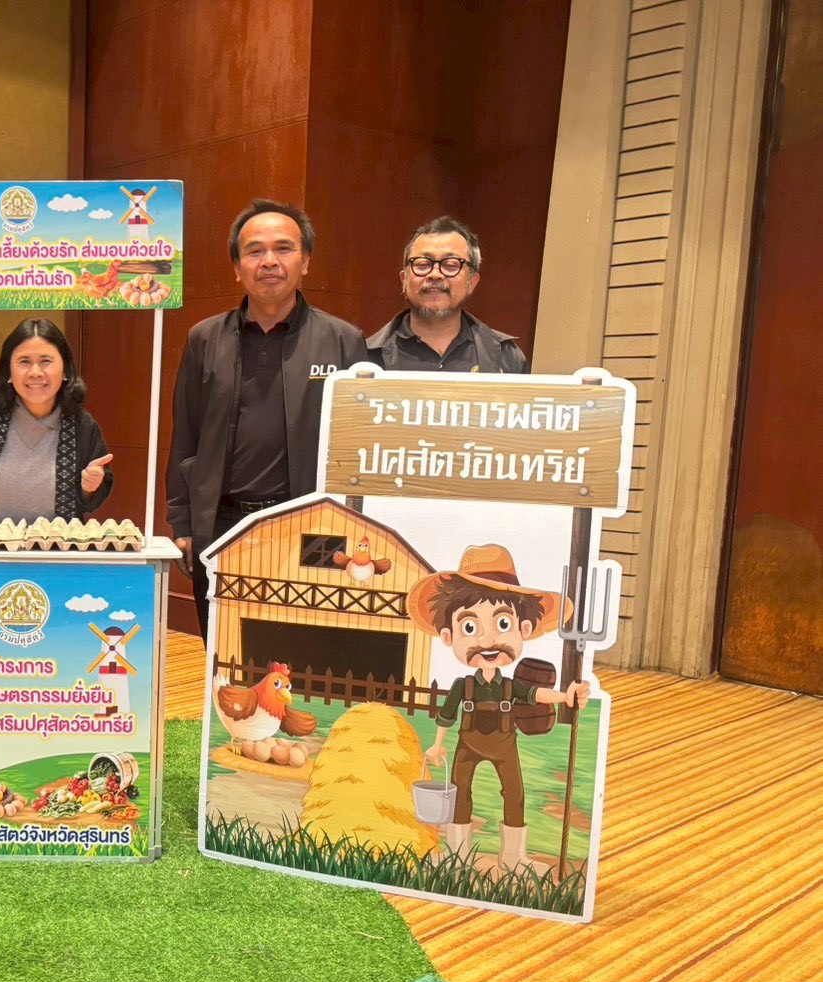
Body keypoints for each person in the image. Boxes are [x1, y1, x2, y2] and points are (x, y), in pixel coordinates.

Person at [167, 198, 368, 637]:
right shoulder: (204, 339)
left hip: (313, 525)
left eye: (284, 248)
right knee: (223, 647)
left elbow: (359, 448)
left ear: (306, 261)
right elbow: (185, 434)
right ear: (236, 268)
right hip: (222, 524)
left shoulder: (343, 341)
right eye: (254, 251)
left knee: (305, 646)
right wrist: (182, 522)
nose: (269, 261)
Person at [408, 544, 589, 873]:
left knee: (514, 793)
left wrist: (566, 697)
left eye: (503, 623)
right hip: (467, 746)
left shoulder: (510, 686)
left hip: (505, 746)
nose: (487, 641)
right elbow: (446, 715)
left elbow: (535, 694)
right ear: (448, 636)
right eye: (470, 627)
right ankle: (457, 854)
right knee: (460, 793)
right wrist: (437, 745)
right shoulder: (463, 686)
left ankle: (513, 857)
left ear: (524, 629)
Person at [0, 318, 113, 521]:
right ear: (8, 371)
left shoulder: (82, 426)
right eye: (24, 362)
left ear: (65, 370)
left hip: (59, 541)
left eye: (46, 361)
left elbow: (92, 499)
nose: (35, 373)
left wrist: (90, 486)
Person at [367, 216, 530, 375]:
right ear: (404, 279)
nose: (435, 275)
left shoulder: (505, 358)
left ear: (472, 283)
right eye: (423, 264)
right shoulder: (368, 358)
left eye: (451, 265)